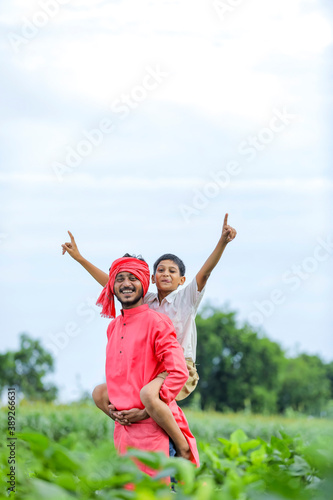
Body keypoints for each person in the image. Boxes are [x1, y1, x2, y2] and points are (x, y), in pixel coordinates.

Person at [61, 214, 237, 456]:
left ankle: (181, 445)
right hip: (151, 366)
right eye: (161, 270)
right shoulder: (148, 301)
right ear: (152, 279)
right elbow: (115, 285)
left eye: (172, 271)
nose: (166, 274)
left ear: (182, 280)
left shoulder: (186, 299)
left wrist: (222, 243)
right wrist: (80, 259)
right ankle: (124, 417)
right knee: (101, 393)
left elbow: (205, 273)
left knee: (148, 397)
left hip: (179, 367)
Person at [97, 255, 199, 478]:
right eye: (120, 278)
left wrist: (145, 413)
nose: (126, 283)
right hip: (127, 439)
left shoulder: (157, 321)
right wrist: (118, 411)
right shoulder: (113, 327)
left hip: (158, 440)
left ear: (144, 283)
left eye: (133, 278)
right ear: (112, 286)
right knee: (99, 393)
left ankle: (182, 448)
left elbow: (179, 371)